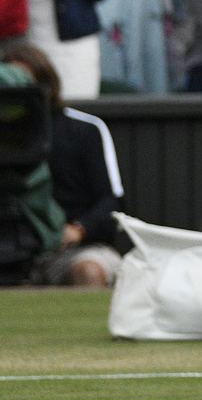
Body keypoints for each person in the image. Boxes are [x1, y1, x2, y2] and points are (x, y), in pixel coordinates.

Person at [0, 43, 123, 286]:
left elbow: (112, 202)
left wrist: (78, 230)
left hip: (71, 249)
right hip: (9, 246)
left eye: (24, 87)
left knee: (89, 271)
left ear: (45, 87)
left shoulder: (85, 129)